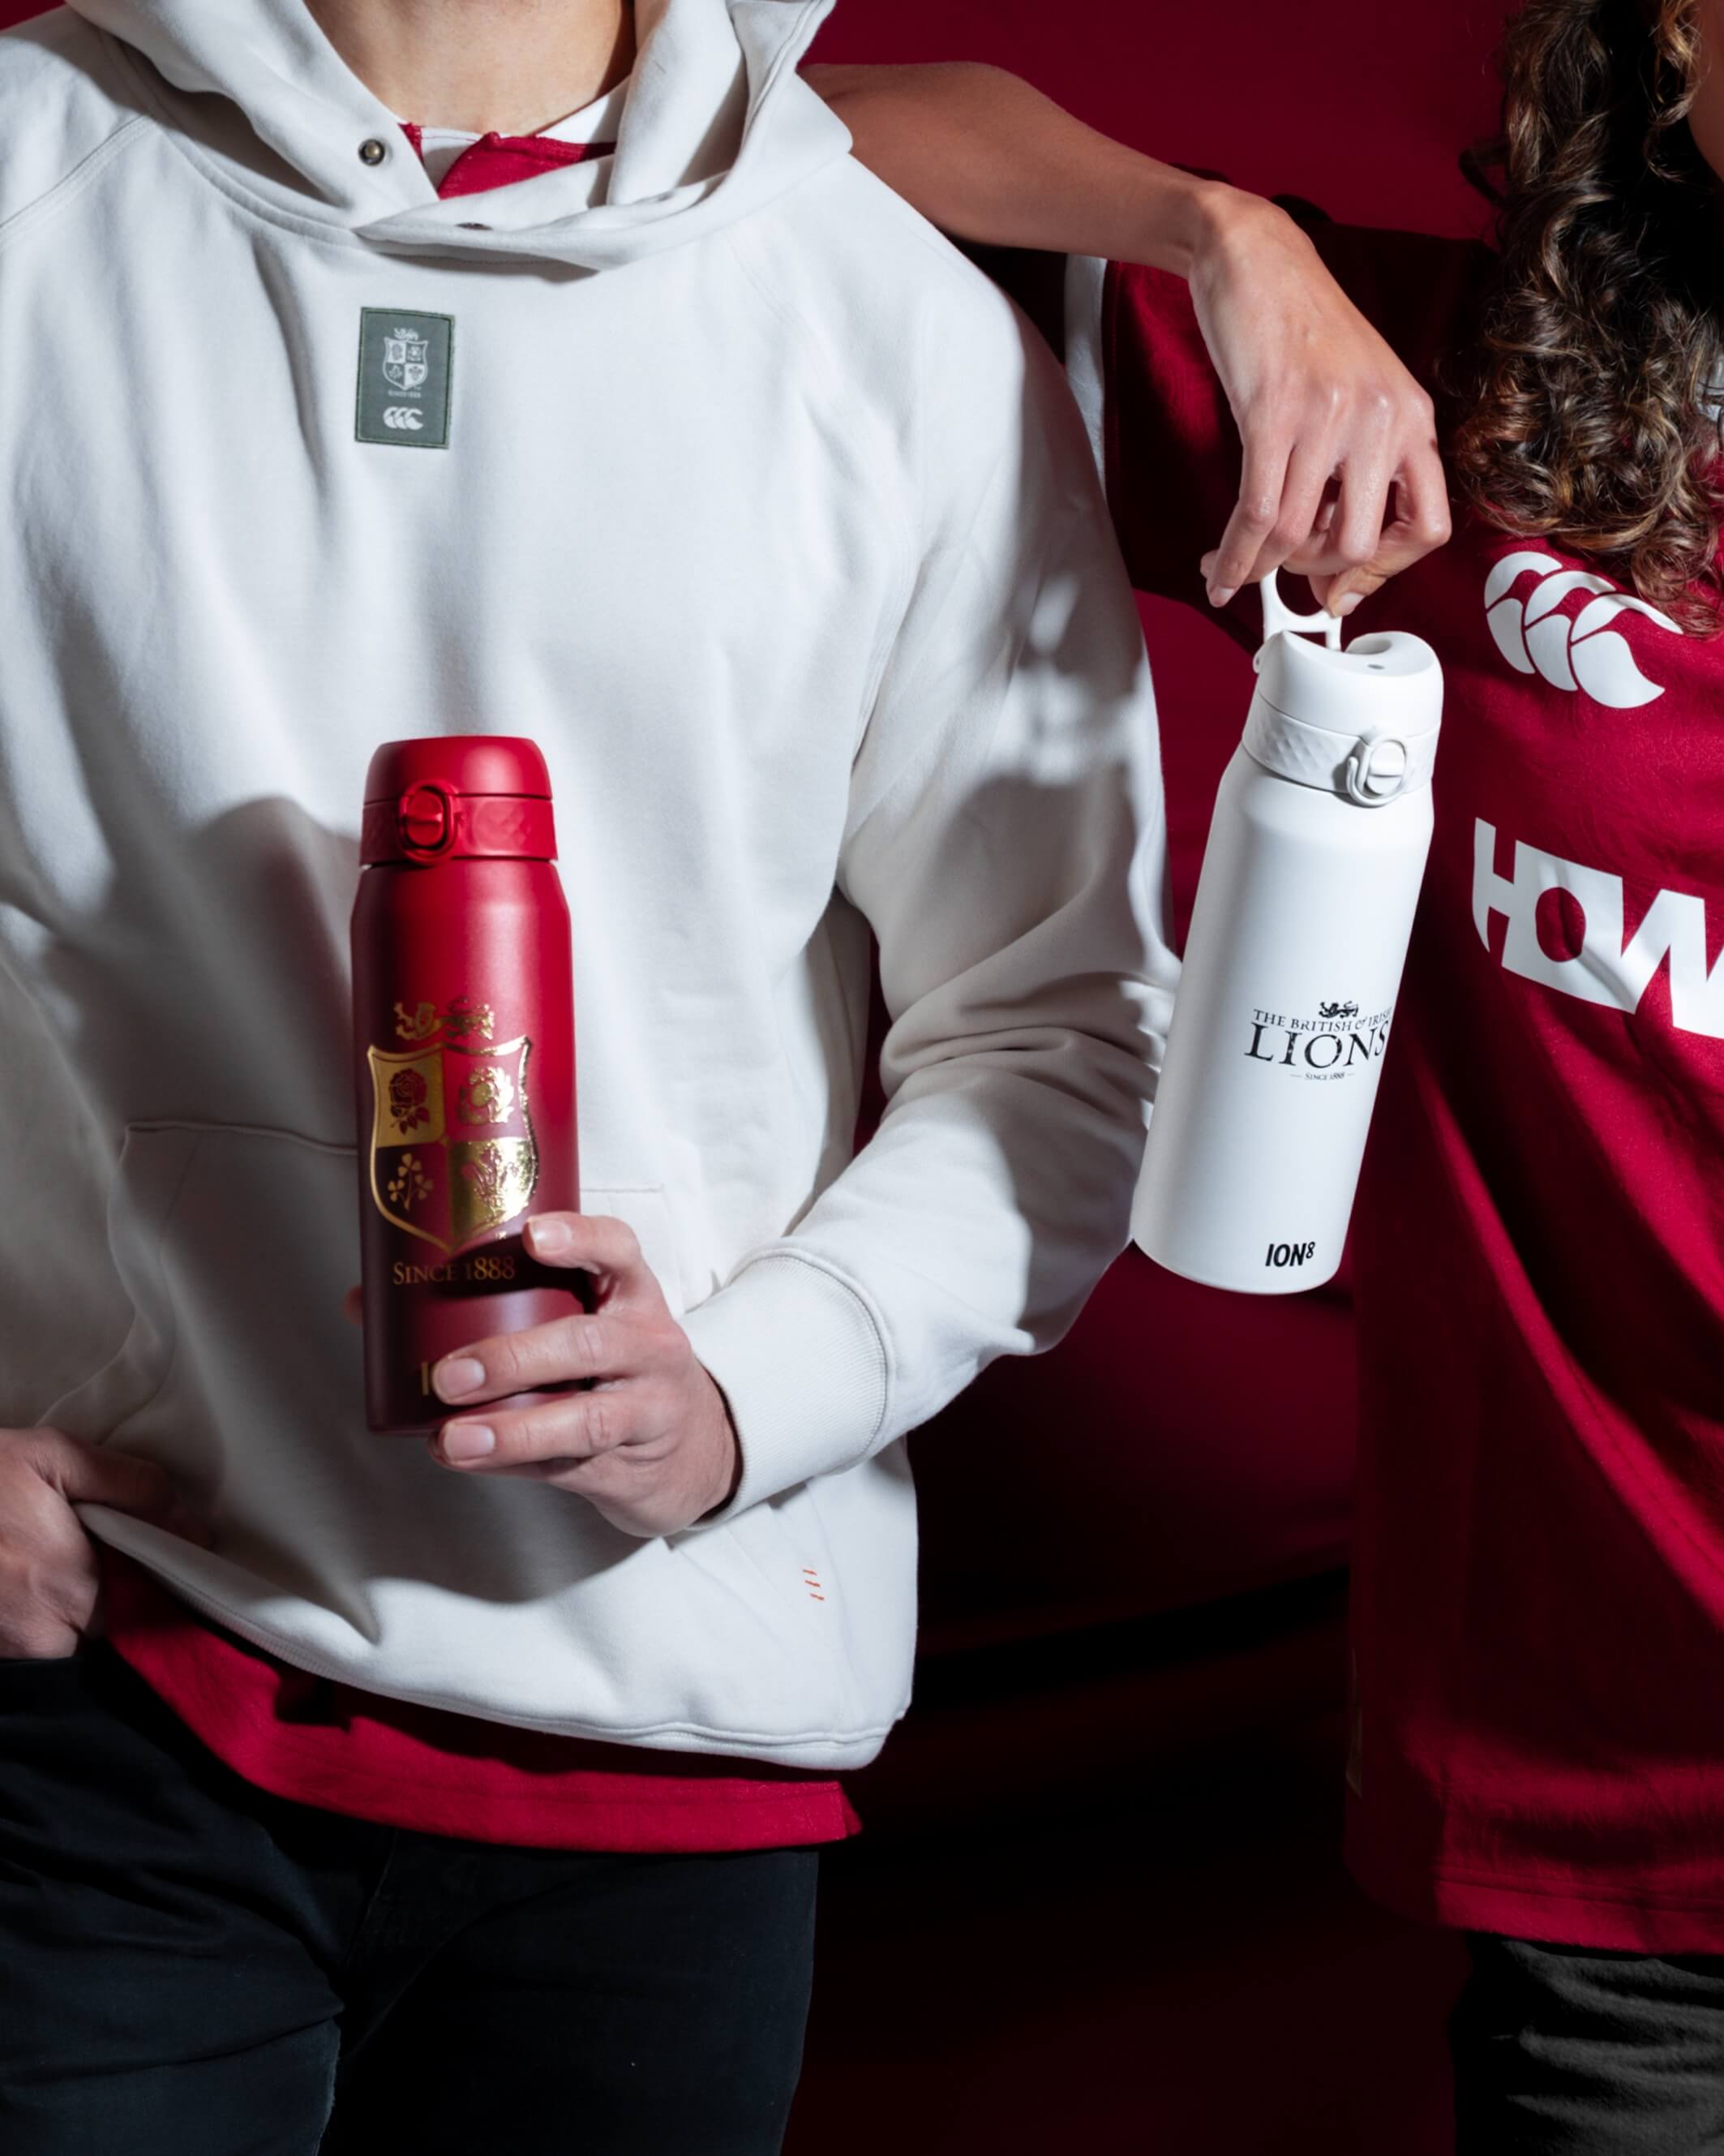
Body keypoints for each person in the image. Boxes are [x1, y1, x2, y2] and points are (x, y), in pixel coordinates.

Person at [0, 0, 1195, 2148]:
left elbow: (1060, 1023)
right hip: (97, 1702)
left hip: (678, 1737)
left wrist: (759, 1389)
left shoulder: (889, 326)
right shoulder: (30, 190)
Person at [814, 11, 1724, 2150]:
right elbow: (777, 143)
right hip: (1609, 1827)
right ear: (1680, 36)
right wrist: (1212, 231)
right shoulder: (1456, 402)